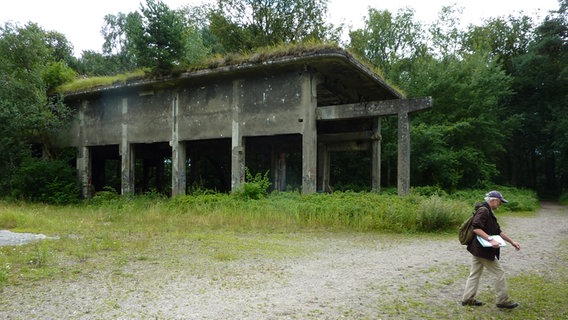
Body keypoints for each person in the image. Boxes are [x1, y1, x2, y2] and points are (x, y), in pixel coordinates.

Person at [461, 190, 521, 309]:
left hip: (477, 249)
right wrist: (490, 240)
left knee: (474, 274)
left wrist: (512, 241)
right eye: (500, 202)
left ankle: (468, 299)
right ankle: (502, 301)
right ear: (493, 200)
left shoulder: (489, 212)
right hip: (482, 249)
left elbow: (498, 231)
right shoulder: (484, 211)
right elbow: (476, 228)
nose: (500, 204)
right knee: (499, 273)